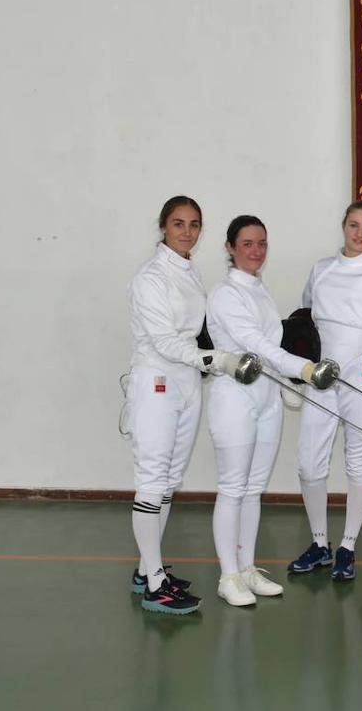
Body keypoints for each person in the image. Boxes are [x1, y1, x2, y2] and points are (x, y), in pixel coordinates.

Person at [206, 215, 318, 606]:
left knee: (254, 490)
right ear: (230, 247)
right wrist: (302, 367)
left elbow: (273, 340)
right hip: (234, 398)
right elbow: (254, 342)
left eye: (262, 244)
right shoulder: (224, 294)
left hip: (267, 397)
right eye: (248, 243)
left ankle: (247, 568)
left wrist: (290, 375)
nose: (256, 251)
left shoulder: (260, 290)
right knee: (233, 488)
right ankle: (228, 575)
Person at [125, 196, 227, 615]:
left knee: (169, 480)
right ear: (163, 226)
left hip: (186, 383)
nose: (187, 232)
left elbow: (195, 333)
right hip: (156, 382)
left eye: (194, 224)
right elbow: (166, 341)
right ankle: (153, 584)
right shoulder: (150, 278)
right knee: (152, 479)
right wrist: (215, 359)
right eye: (178, 223)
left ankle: (146, 568)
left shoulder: (188, 270)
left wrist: (210, 357)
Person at [289, 200, 362, 581]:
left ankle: (348, 546)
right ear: (344, 225)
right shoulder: (321, 270)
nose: (359, 234)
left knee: (359, 459)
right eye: (354, 225)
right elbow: (306, 317)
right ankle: (320, 542)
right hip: (322, 375)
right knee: (309, 460)